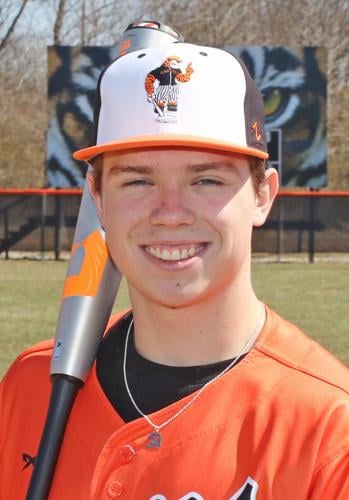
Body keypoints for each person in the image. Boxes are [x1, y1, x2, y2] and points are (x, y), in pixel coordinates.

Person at [1, 42, 349, 500]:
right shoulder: (30, 385)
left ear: (263, 195)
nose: (170, 213)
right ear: (98, 197)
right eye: (138, 180)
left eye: (206, 179)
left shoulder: (328, 429)